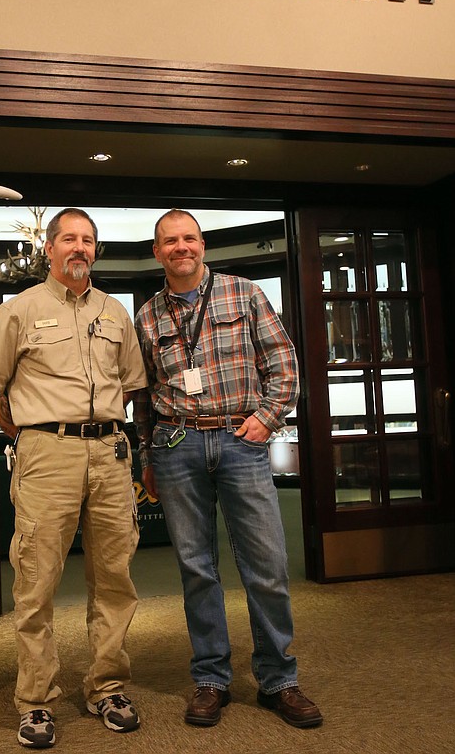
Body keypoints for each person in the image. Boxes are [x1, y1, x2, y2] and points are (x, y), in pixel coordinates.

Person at [133, 209, 322, 730]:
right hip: (176, 446)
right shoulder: (147, 316)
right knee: (197, 568)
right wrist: (149, 456)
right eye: (170, 241)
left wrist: (265, 420)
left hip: (241, 440)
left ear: (203, 244)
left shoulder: (245, 293)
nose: (181, 248)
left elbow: (284, 364)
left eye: (189, 238)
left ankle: (279, 679)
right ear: (157, 252)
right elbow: (143, 396)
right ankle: (211, 678)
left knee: (267, 565)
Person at [0, 208, 147, 748]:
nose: (79, 248)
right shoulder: (19, 311)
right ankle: (36, 701)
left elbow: (133, 386)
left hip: (111, 456)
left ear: (96, 251)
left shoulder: (117, 313)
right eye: (68, 239)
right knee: (37, 579)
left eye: (88, 240)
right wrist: (34, 433)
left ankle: (108, 686)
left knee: (115, 576)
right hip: (47, 455)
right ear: (48, 249)